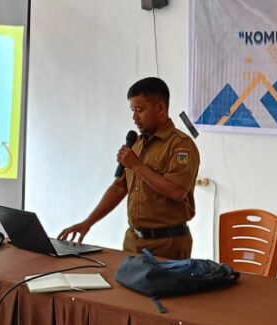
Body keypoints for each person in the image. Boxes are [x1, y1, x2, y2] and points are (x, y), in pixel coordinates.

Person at [59, 77, 200, 259]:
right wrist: (88, 222)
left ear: (160, 108)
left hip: (168, 244)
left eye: (139, 110)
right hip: (134, 241)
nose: (135, 117)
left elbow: (176, 191)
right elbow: (119, 187)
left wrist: (138, 166)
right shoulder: (137, 144)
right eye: (132, 111)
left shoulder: (180, 145)